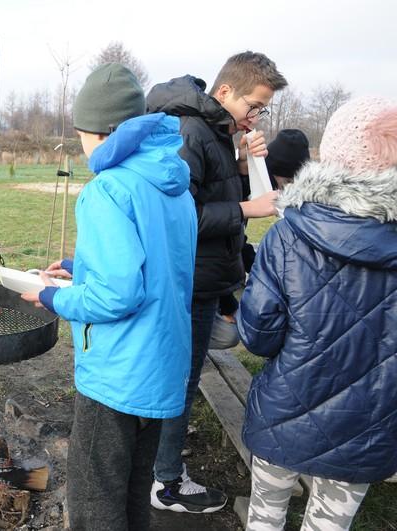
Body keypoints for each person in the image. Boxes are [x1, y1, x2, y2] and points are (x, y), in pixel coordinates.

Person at [22, 63, 197, 530]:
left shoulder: (107, 189)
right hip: (161, 367)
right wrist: (83, 267)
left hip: (118, 374)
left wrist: (53, 299)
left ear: (100, 132)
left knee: (94, 501)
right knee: (133, 493)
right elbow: (159, 267)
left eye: (81, 133)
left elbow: (117, 296)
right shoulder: (173, 183)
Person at [238, 96, 397, 531]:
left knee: (265, 517)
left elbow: (258, 335)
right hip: (368, 428)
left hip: (284, 413)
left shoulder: (287, 235)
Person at [145, 51, 288, 513]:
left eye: (262, 109)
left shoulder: (217, 131)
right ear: (224, 91)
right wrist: (248, 209)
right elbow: (180, 217)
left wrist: (244, 168)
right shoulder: (192, 131)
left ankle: (158, 467)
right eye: (254, 105)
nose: (255, 116)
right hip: (189, 282)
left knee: (179, 379)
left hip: (206, 280)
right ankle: (166, 482)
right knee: (180, 383)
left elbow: (213, 189)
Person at [208, 128, 310, 350]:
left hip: (222, 279)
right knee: (230, 334)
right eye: (286, 183)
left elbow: (238, 240)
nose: (286, 190)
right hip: (205, 285)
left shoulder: (248, 186)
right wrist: (228, 304)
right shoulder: (243, 190)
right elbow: (221, 245)